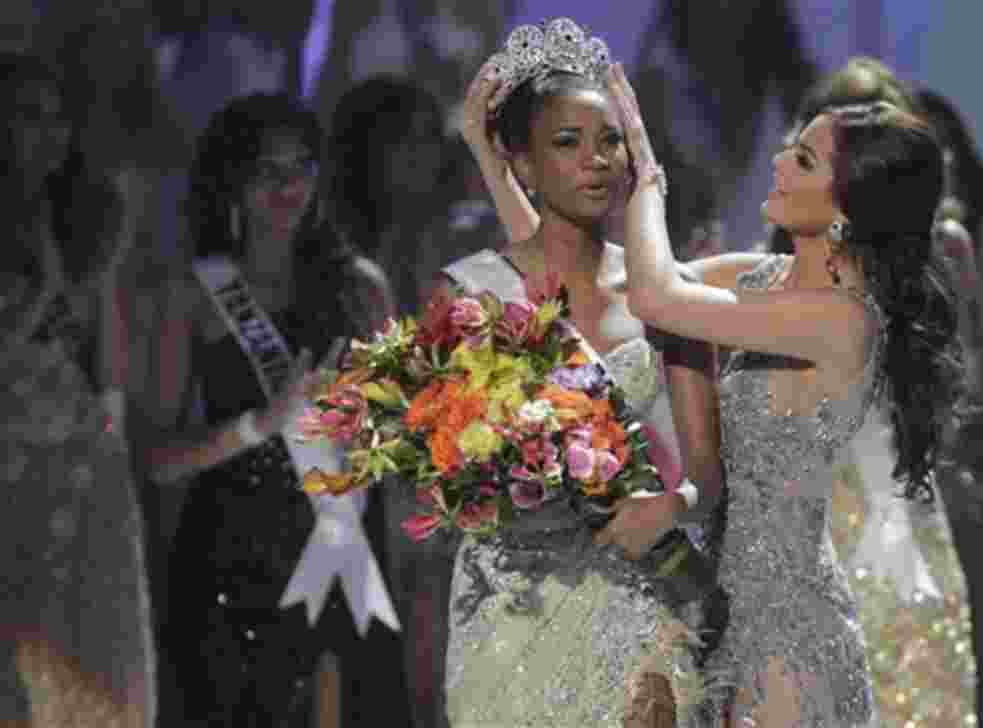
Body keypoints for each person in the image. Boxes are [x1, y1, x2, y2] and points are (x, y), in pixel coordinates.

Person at [607, 62, 962, 725]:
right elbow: (635, 297)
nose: (778, 161)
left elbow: (661, 294)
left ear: (845, 207)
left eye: (802, 159)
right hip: (713, 610)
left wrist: (647, 177)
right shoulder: (763, 278)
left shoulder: (844, 319)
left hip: (784, 642)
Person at [422, 19, 723, 727]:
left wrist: (669, 507)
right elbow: (442, 481)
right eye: (567, 142)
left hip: (638, 598)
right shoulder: (470, 295)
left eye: (609, 140)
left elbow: (707, 476)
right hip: (510, 602)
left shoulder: (662, 296)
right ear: (520, 164)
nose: (595, 161)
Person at [143, 92, 412, 727]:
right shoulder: (194, 295)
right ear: (230, 180)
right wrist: (260, 424)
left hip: (345, 547)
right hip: (233, 564)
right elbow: (155, 461)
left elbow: (401, 434)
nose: (288, 187)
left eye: (302, 168)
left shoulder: (361, 289)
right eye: (268, 170)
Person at [0, 51, 153, 727]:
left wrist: (112, 447)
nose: (47, 134)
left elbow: (108, 362)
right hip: (9, 458)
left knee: (82, 649)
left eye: (55, 116)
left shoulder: (83, 221)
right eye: (26, 116)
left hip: (79, 462)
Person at [325, 75, 448, 317]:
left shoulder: (450, 245)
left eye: (430, 137)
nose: (423, 155)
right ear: (364, 149)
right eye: (405, 139)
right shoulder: (330, 257)